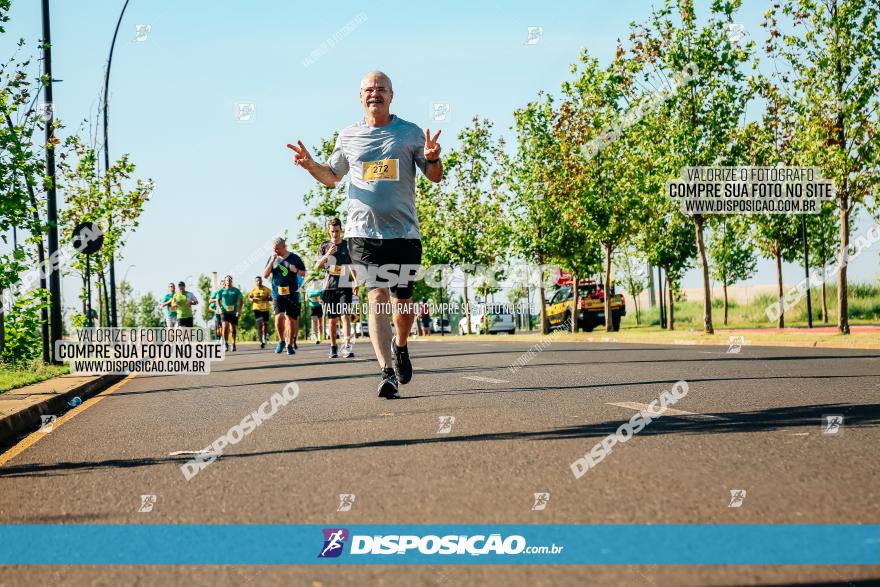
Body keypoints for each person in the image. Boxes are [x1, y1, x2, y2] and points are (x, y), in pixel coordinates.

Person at [288, 70, 443, 398]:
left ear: (391, 95)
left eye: (381, 89)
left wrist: (433, 159)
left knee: (403, 302)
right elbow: (332, 177)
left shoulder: (410, 133)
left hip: (404, 233)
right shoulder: (348, 136)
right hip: (362, 234)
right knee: (376, 296)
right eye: (369, 89)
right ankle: (386, 371)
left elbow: (434, 177)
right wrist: (310, 165)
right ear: (360, 97)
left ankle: (401, 346)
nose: (375, 93)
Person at [316, 217, 356, 358]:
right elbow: (318, 266)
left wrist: (356, 281)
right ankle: (333, 346)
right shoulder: (324, 246)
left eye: (337, 231)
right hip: (329, 288)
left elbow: (352, 266)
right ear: (329, 231)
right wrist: (328, 254)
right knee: (332, 320)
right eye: (332, 231)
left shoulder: (347, 245)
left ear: (341, 230)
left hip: (345, 286)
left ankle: (346, 346)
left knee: (345, 316)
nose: (335, 234)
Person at [262, 237, 306, 355]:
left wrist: (295, 270)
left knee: (292, 320)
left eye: (276, 249)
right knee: (279, 317)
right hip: (277, 294)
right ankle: (281, 340)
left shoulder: (294, 258)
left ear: (283, 247)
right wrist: (271, 262)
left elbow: (304, 273)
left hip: (292, 294)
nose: (275, 251)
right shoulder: (272, 259)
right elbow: (265, 275)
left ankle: (289, 344)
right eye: (273, 249)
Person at [216, 275, 244, 351]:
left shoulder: (236, 291)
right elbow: (217, 300)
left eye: (230, 280)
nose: (228, 282)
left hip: (234, 312)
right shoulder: (221, 291)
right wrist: (220, 308)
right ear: (225, 282)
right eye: (227, 280)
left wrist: (239, 310)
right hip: (224, 312)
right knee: (225, 326)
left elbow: (241, 301)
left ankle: (234, 343)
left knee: (233, 329)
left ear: (232, 281)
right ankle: (225, 343)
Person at [248, 276, 273, 348]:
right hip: (257, 308)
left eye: (259, 281)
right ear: (255, 282)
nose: (258, 282)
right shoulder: (253, 289)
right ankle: (261, 340)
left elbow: (271, 298)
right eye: (257, 281)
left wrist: (269, 298)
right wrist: (252, 299)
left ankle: (264, 337)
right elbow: (249, 297)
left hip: (265, 308)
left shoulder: (267, 289)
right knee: (259, 325)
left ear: (262, 281)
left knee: (265, 324)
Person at [306, 278, 324, 344]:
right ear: (311, 282)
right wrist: (309, 299)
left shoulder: (320, 288)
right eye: (313, 281)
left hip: (319, 307)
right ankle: (315, 337)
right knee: (314, 321)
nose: (314, 281)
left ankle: (321, 336)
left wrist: (321, 300)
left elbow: (323, 297)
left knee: (320, 323)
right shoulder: (308, 289)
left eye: (316, 280)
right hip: (312, 307)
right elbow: (306, 299)